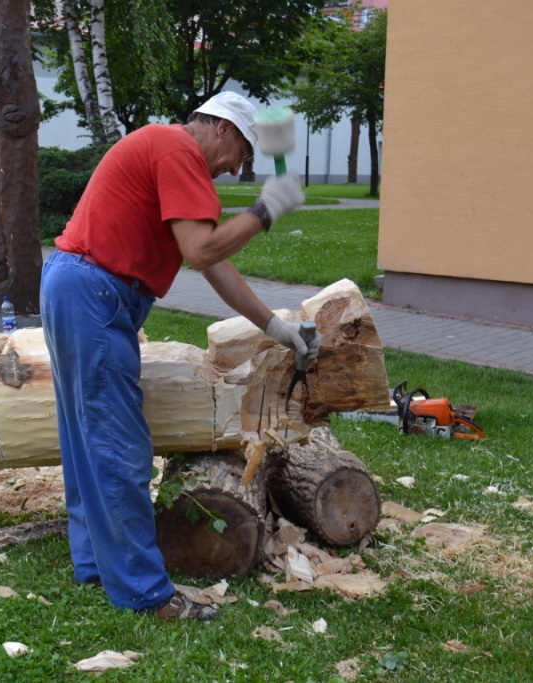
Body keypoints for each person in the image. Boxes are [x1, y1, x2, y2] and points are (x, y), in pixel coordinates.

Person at [39, 91, 321, 622]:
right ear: (222, 129)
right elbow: (202, 249)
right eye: (241, 154)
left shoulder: (168, 151)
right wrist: (266, 209)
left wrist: (275, 326)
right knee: (119, 445)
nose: (235, 168)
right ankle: (145, 593)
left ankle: (94, 563)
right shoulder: (177, 150)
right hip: (94, 292)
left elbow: (213, 265)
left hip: (78, 285)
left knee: (86, 436)